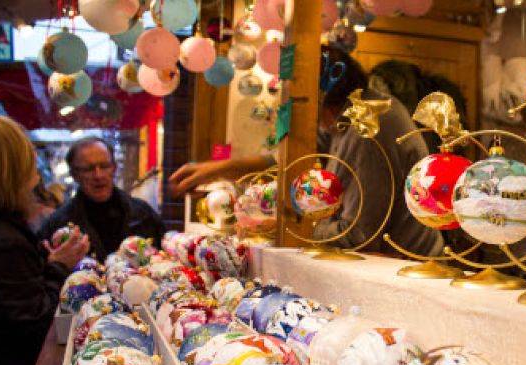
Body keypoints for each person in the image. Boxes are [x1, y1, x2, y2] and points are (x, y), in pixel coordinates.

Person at [170, 45, 443, 256]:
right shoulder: (341, 120)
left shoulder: (367, 126)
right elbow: (286, 160)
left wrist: (283, 227)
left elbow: (359, 235)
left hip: (403, 268)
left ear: (318, 98)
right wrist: (214, 171)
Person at [0, 116, 90, 365]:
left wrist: (47, 262)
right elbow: (35, 326)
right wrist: (59, 266)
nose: (35, 162)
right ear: (10, 170)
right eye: (27, 154)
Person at [38, 137, 166, 261]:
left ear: (114, 168)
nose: (98, 175)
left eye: (104, 166)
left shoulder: (143, 214)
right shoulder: (57, 224)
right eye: (88, 169)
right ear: (74, 174)